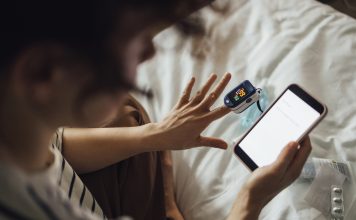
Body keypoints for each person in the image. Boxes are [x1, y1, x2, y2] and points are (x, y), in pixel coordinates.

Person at [0, 1, 312, 220]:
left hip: (74, 188)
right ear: (42, 72)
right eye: (133, 41)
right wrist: (250, 200)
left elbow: (59, 144)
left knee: (126, 112)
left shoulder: (16, 122)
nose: (150, 53)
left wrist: (156, 135)